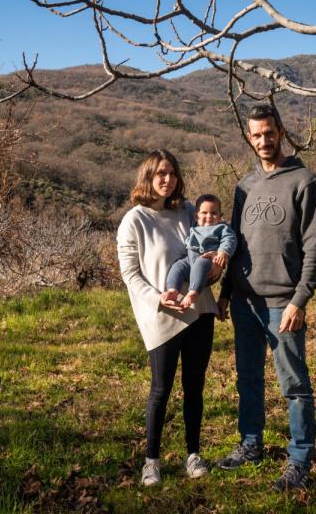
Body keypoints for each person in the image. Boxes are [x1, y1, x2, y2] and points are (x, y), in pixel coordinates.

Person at [216, 104, 316, 491]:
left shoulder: (304, 181)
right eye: (256, 134)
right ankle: (251, 444)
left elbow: (315, 248)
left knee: (294, 385)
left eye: (269, 132)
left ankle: (299, 458)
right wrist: (227, 293)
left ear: (281, 131)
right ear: (249, 137)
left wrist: (300, 300)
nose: (263, 140)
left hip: (283, 302)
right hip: (246, 302)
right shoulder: (244, 187)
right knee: (247, 379)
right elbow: (233, 243)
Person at [116, 149, 221, 487]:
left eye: (172, 173)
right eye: (160, 173)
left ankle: (193, 454)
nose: (167, 179)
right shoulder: (135, 220)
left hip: (199, 311)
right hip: (162, 317)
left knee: (195, 387)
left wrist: (217, 270)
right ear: (147, 176)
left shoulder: (189, 211)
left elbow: (212, 248)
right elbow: (130, 274)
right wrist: (158, 300)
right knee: (160, 390)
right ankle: (152, 460)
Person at [162, 193, 237, 310]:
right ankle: (173, 289)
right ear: (196, 216)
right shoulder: (195, 227)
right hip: (190, 259)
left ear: (220, 216)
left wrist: (222, 252)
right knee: (177, 266)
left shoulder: (222, 228)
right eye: (204, 213)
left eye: (214, 213)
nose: (209, 216)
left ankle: (193, 292)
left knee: (201, 262)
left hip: (209, 261)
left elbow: (230, 239)